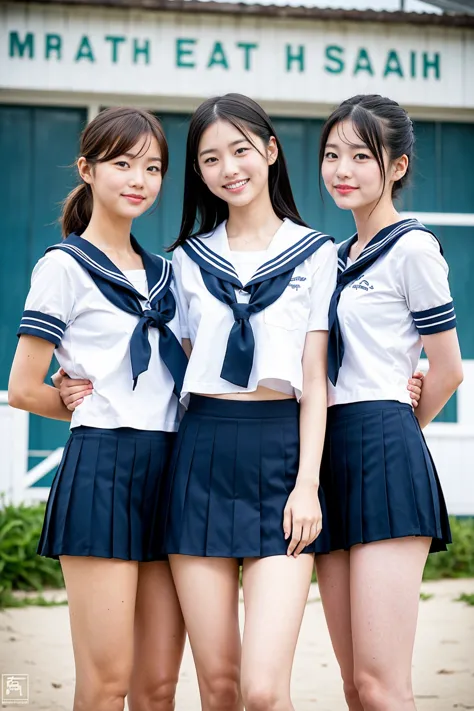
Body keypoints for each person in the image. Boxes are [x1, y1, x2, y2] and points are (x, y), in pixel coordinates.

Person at [8, 107, 187, 711]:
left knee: (159, 686)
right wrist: (83, 402)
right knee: (109, 685)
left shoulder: (170, 274)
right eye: (122, 163)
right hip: (103, 468)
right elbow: (24, 389)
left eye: (153, 167)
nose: (138, 178)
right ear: (87, 169)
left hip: (172, 472)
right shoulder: (63, 267)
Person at [315, 94, 463, 711]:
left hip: (384, 450)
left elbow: (448, 369)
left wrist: (398, 424)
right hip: (327, 454)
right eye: (331, 155)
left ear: (396, 166)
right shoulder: (329, 257)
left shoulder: (413, 248)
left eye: (359, 156)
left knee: (381, 685)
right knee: (352, 685)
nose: (341, 170)